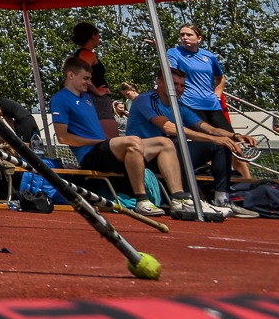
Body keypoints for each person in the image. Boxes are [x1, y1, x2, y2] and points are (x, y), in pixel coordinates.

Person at [50, 55, 196, 219]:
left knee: (165, 143)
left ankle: (179, 198)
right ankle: (142, 200)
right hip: (89, 155)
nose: (88, 82)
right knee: (132, 142)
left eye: (89, 79)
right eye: (85, 78)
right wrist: (99, 141)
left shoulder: (87, 98)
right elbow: (63, 138)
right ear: (71, 75)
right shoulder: (60, 99)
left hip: (105, 150)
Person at [126, 67, 260, 218]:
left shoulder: (179, 106)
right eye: (174, 84)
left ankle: (221, 199)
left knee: (221, 145)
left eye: (182, 86)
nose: (179, 89)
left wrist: (234, 136)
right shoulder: (145, 100)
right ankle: (187, 199)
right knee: (177, 146)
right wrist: (213, 138)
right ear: (160, 83)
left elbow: (209, 129)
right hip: (145, 157)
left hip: (170, 152)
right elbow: (169, 128)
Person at [166, 23, 231, 132]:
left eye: (189, 35)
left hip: (211, 103)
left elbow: (220, 78)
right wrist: (159, 50)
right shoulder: (174, 52)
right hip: (190, 103)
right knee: (206, 140)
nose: (185, 37)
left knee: (229, 137)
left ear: (199, 38)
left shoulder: (209, 56)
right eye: (182, 35)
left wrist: (217, 95)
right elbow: (172, 73)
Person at [65, 21, 119, 136]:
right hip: (96, 100)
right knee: (111, 139)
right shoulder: (87, 54)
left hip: (90, 99)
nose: (99, 39)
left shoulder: (81, 54)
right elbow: (82, 75)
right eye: (98, 36)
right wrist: (97, 92)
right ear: (93, 36)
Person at [0, 80, 39, 147]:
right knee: (31, 145)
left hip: (26, 120)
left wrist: (15, 132)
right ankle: (5, 148)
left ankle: (6, 148)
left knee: (30, 145)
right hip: (26, 120)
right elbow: (3, 124)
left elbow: (5, 122)